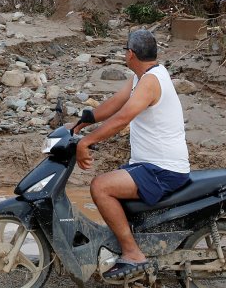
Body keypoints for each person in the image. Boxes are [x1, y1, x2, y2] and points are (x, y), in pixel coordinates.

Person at [71, 29, 190, 280]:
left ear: (130, 54)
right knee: (114, 181)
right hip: (150, 164)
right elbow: (116, 103)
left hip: (162, 169)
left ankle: (133, 253)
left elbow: (122, 118)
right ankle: (131, 243)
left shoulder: (150, 82)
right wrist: (84, 121)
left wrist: (87, 142)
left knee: (101, 187)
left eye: (126, 50)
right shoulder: (145, 76)